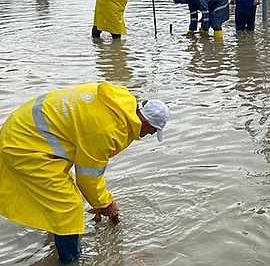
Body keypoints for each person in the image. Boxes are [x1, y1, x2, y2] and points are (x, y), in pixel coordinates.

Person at [0, 82, 170, 264]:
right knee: (68, 207)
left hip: (27, 129)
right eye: (153, 130)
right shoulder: (109, 131)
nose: (151, 135)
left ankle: (56, 237)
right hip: (24, 145)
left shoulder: (119, 102)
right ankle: (71, 260)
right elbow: (88, 178)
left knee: (62, 193)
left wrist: (100, 202)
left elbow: (86, 165)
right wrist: (106, 204)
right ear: (144, 121)